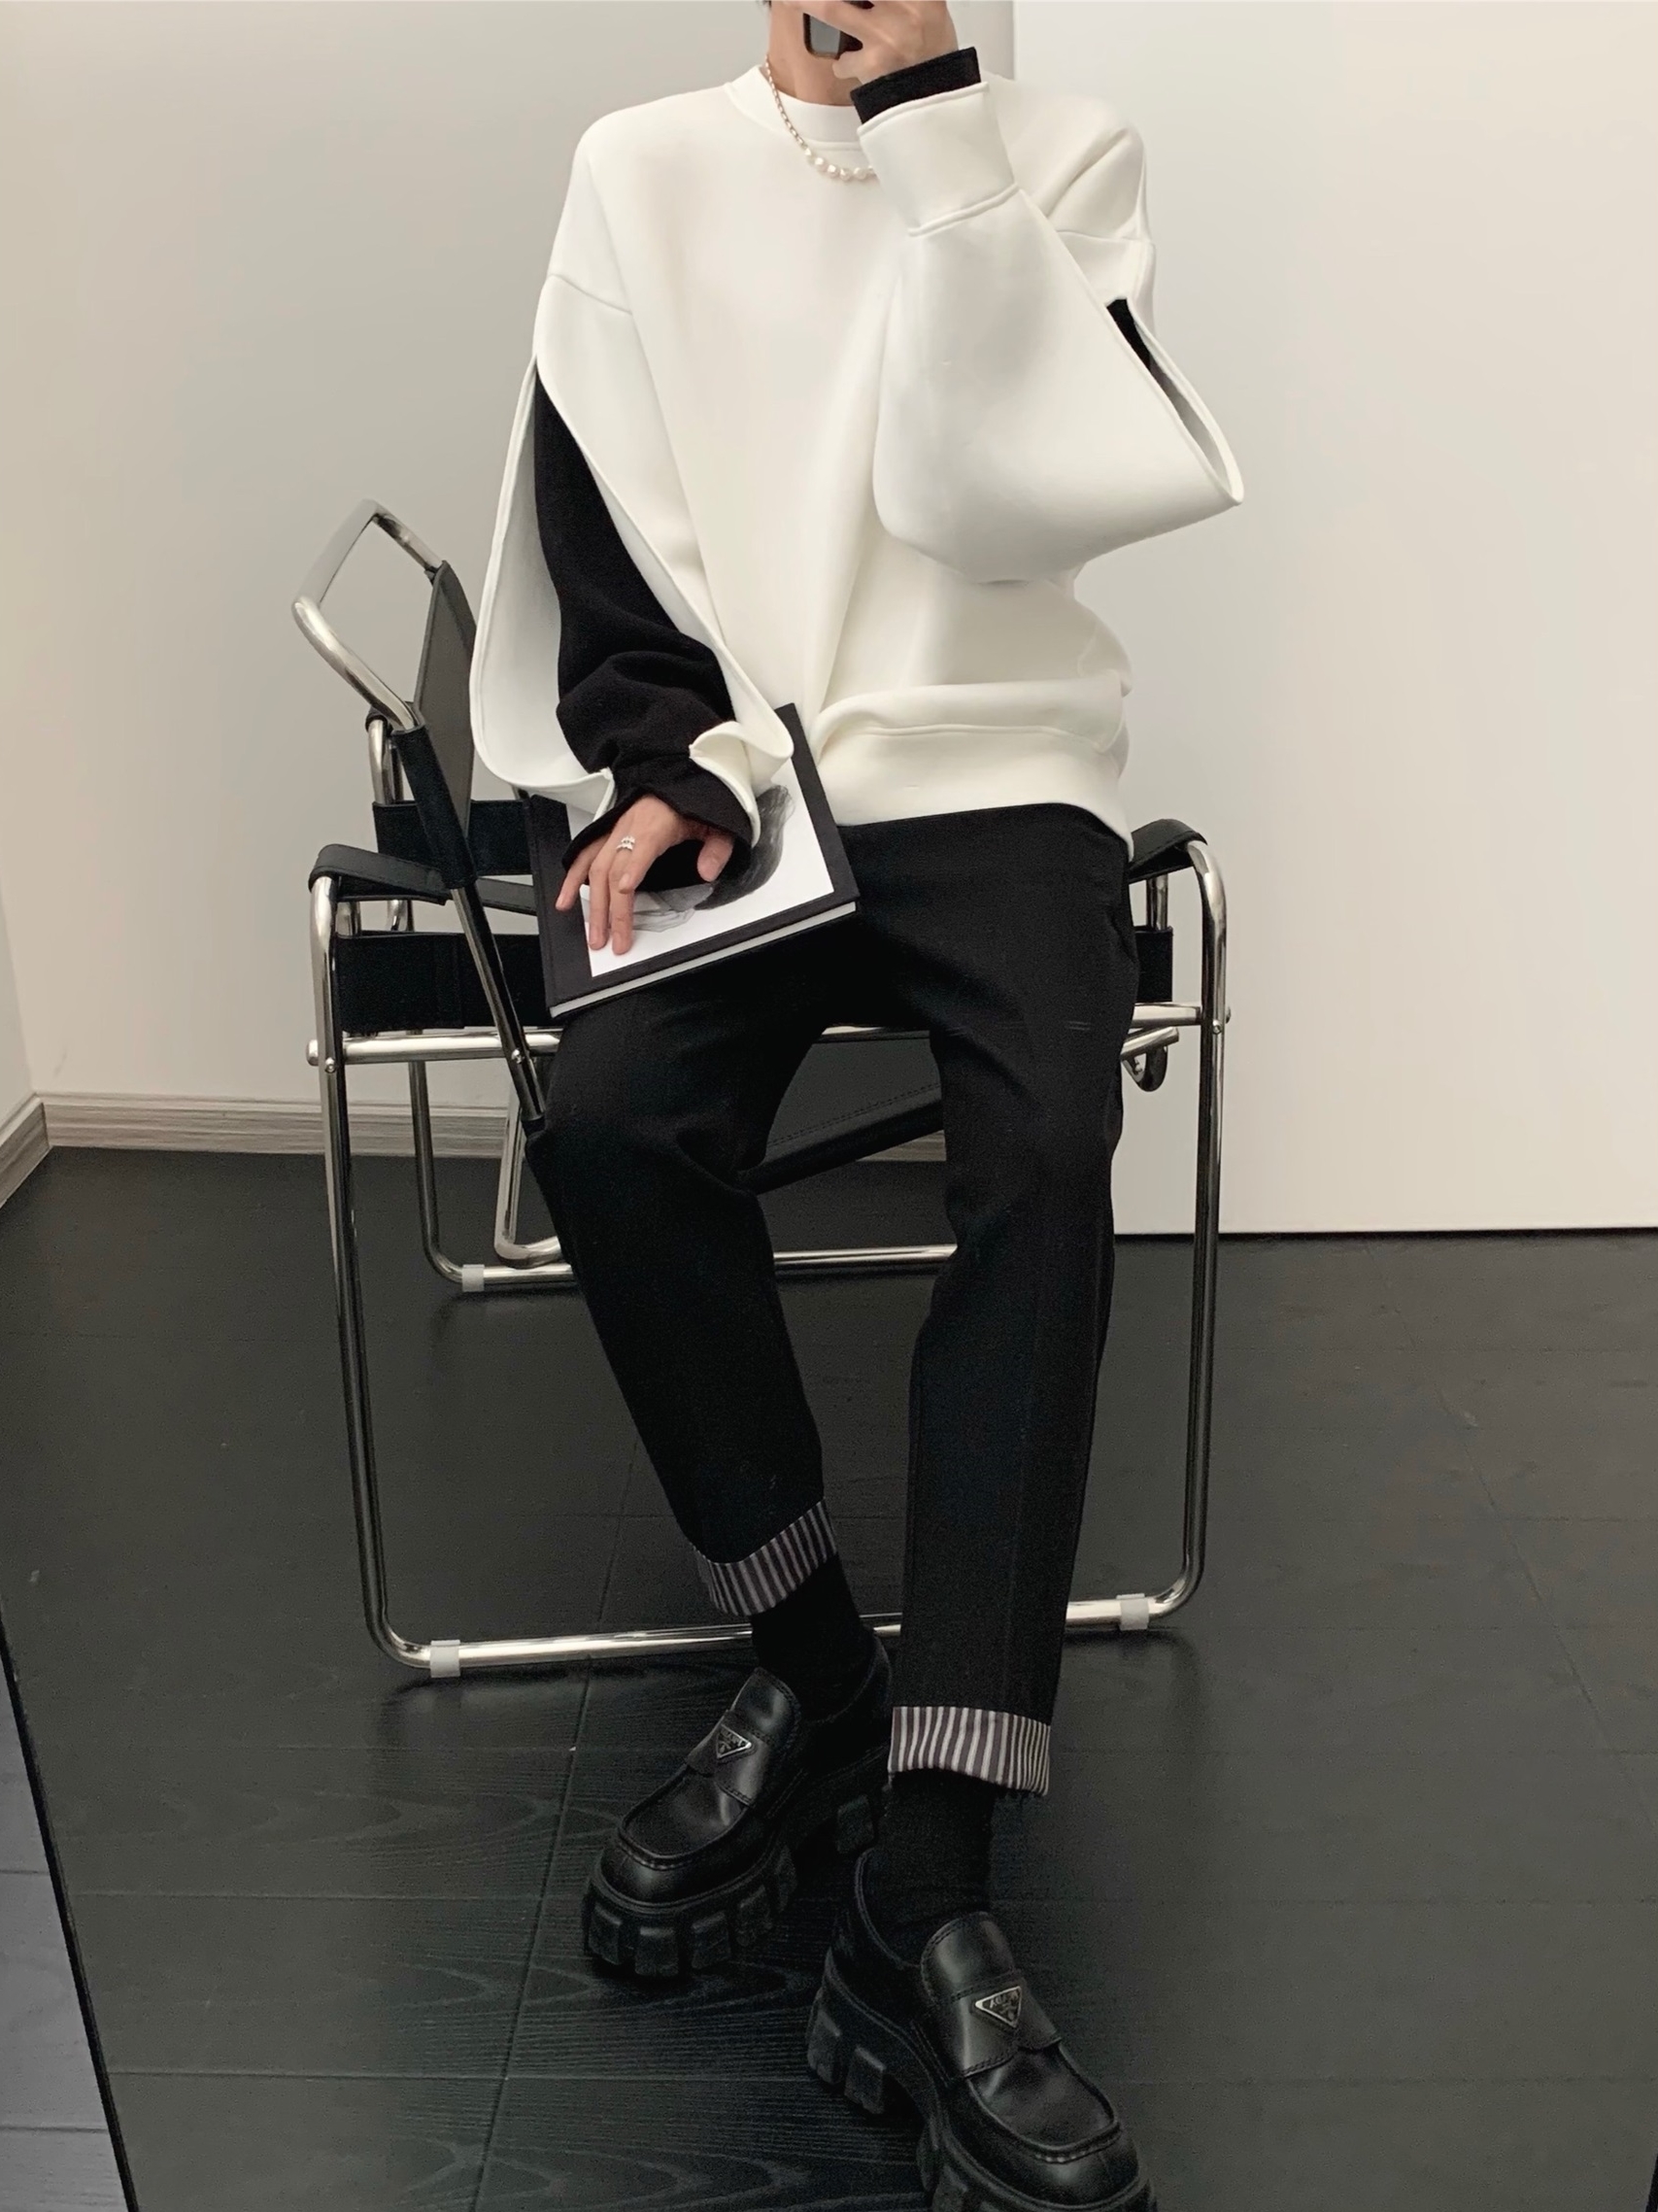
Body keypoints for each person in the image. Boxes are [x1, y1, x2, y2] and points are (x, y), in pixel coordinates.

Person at [470, 6, 1241, 2206]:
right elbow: (603, 527)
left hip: (999, 772)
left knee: (1047, 1151)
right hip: (750, 775)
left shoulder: (1060, 153)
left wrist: (929, 128)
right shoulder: (640, 167)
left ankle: (932, 1867)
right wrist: (653, 761)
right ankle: (815, 1662)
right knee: (613, 1116)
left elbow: (984, 489)